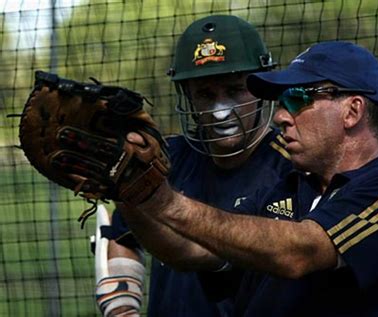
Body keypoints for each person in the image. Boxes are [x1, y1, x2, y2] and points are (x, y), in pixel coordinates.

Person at [118, 41, 378, 316]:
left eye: (297, 99)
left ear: (352, 110)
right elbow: (192, 250)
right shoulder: (287, 188)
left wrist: (166, 202)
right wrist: (131, 192)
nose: (280, 116)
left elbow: (300, 252)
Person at [96, 15, 293, 317]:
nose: (220, 111)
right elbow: (123, 235)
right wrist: (122, 309)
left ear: (261, 89)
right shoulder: (164, 158)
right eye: (205, 94)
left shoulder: (291, 168)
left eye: (234, 90)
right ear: (187, 96)